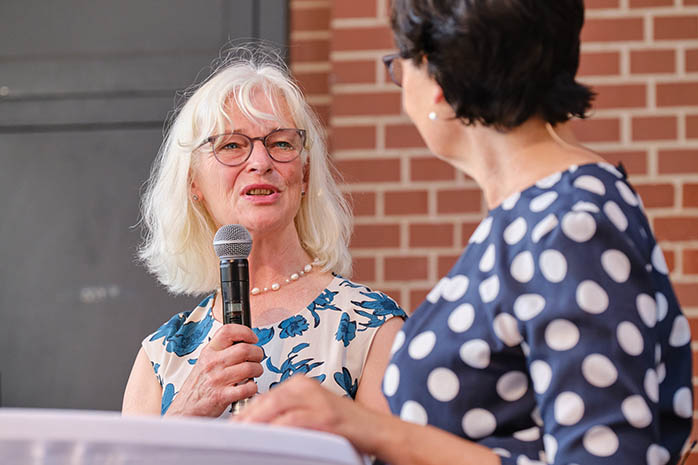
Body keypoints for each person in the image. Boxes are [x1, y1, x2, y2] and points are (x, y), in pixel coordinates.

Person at [234, 2, 694, 464]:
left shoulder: (569, 222)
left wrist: (374, 431)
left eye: (400, 66)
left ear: (436, 79)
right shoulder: (540, 217)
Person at [121, 47, 406, 418]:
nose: (260, 162)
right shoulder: (161, 356)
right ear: (194, 182)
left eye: (281, 143)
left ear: (304, 175)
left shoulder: (370, 327)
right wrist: (185, 413)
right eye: (232, 145)